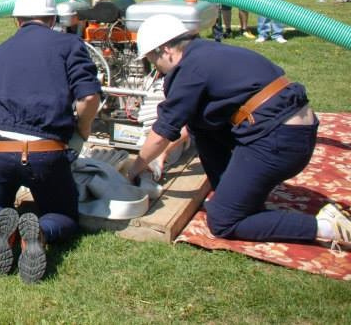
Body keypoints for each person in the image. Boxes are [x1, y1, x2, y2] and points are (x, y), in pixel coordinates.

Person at [126, 14, 350, 250]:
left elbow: (163, 131)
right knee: (204, 131)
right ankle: (234, 196)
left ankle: (325, 227)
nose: (156, 68)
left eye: (152, 60)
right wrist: (161, 155)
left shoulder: (189, 70)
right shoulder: (206, 53)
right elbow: (190, 126)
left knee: (223, 221)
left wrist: (134, 169)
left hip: (279, 142)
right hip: (287, 131)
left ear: (165, 50)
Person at [0, 0, 101, 283]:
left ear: (16, 20)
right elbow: (89, 98)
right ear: (53, 19)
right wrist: (82, 129)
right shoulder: (69, 45)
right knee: (65, 215)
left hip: (0, 150)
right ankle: (42, 231)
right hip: (46, 152)